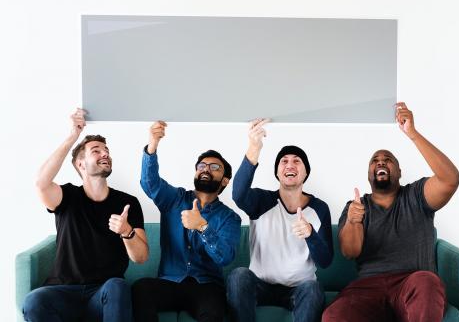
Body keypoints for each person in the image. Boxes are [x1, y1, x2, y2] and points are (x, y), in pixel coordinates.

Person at [322, 102, 459, 322]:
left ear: (398, 170)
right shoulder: (356, 206)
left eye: (388, 160)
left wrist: (412, 134)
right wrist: (353, 221)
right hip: (368, 287)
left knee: (427, 282)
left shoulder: (416, 195)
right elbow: (350, 251)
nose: (381, 162)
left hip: (412, 283)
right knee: (335, 315)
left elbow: (450, 179)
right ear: (369, 173)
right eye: (375, 161)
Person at [23, 108, 148, 322]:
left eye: (106, 150)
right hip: (63, 292)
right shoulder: (66, 196)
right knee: (34, 301)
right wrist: (73, 136)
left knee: (117, 286)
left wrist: (127, 232)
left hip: (103, 295)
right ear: (80, 164)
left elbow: (141, 257)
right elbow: (40, 183)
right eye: (96, 151)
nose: (105, 154)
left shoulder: (128, 203)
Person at [132, 120, 242, 322]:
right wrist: (152, 146)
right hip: (169, 281)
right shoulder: (174, 199)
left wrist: (202, 226)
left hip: (206, 286)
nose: (206, 169)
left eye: (215, 167)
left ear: (225, 180)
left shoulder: (230, 218)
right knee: (141, 288)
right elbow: (149, 183)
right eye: (201, 165)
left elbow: (225, 258)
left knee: (213, 311)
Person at [227, 119, 333, 322]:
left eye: (296, 161)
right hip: (260, 284)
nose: (290, 165)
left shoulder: (320, 208)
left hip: (300, 289)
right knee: (239, 275)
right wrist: (254, 148)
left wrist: (310, 234)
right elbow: (238, 194)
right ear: (277, 172)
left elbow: (326, 261)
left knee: (313, 288)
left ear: (305, 172)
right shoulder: (262, 201)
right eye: (284, 161)